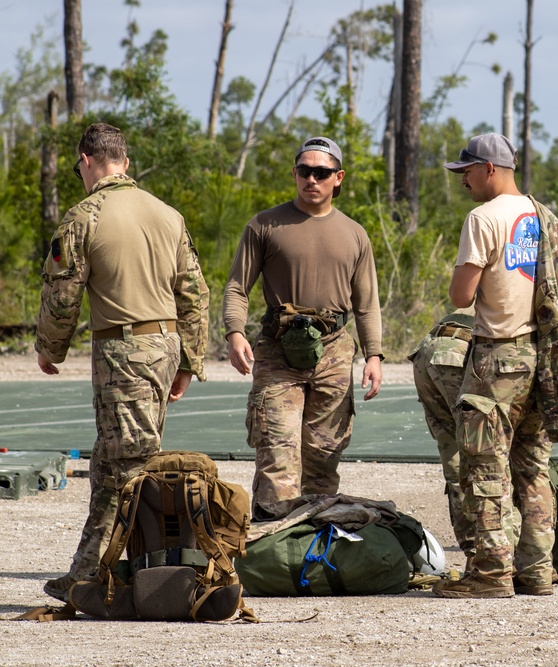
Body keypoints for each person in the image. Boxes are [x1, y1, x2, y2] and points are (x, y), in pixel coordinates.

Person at [34, 122, 210, 602]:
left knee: (129, 466)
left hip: (124, 353)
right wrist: (189, 359)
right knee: (111, 460)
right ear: (125, 163)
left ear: (87, 161)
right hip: (163, 346)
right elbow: (194, 292)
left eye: (78, 166)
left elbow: (62, 293)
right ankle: (89, 571)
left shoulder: (84, 217)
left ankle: (133, 576)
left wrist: (50, 348)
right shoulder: (167, 215)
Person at [432, 132, 558, 599]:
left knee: (485, 467)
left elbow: (461, 296)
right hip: (542, 356)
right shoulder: (544, 216)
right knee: (533, 465)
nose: (463, 182)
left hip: (496, 356)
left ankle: (491, 574)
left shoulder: (482, 218)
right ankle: (537, 571)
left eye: (467, 172)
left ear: (490, 169)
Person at [223, 136, 383, 521]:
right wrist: (234, 332)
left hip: (334, 351)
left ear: (338, 178)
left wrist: (374, 355)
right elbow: (237, 287)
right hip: (278, 350)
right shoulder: (265, 225)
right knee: (277, 454)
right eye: (304, 171)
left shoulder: (355, 234)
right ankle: (273, 548)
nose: (311, 179)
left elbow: (366, 303)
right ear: (294, 174)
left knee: (323, 460)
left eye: (321, 172)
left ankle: (314, 554)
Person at [409, 303, 558, 565]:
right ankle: (496, 562)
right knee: (488, 460)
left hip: (430, 348)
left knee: (456, 456)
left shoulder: (543, 302)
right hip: (467, 354)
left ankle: (476, 557)